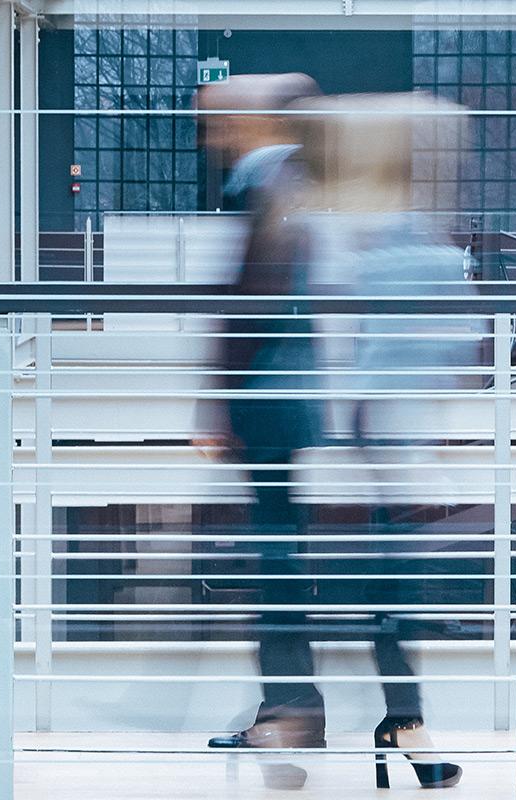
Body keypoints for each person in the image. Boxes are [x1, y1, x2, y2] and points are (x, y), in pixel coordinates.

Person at [289, 91, 474, 790]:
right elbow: (444, 347)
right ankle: (398, 726)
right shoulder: (384, 236)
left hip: (376, 443)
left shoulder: (373, 234)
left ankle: (400, 725)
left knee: (386, 593)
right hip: (372, 444)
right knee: (383, 592)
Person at [196, 74, 327, 789]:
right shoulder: (285, 179)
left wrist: (219, 404)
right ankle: (292, 704)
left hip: (268, 403)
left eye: (217, 121)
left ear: (249, 120)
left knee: (275, 560)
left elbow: (255, 306)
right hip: (283, 401)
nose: (209, 135)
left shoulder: (271, 183)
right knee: (276, 555)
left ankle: (290, 708)